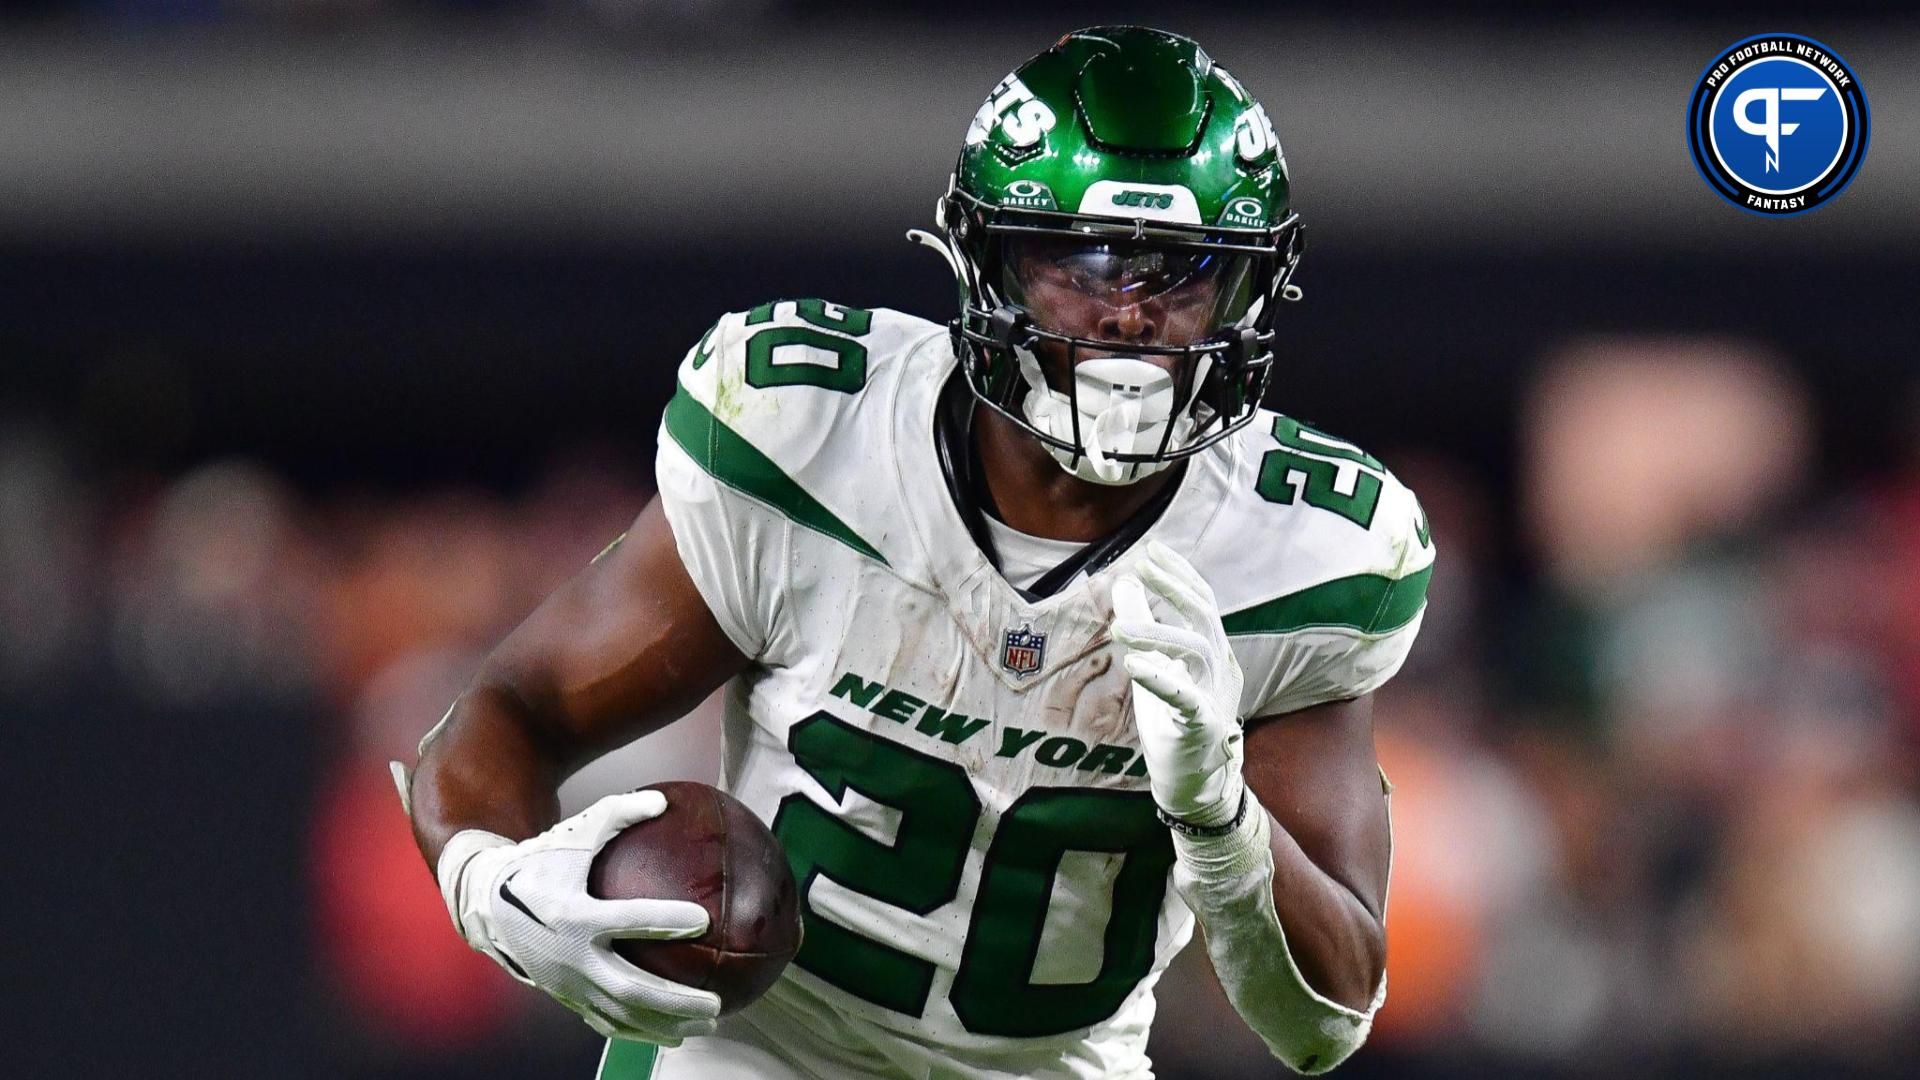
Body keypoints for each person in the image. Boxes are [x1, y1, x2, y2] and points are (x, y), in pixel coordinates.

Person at [399, 25, 1434, 1079]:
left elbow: (1323, 1026)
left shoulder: (1304, 551)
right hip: (757, 1055)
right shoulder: (810, 435)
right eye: (1078, 260)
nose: (1127, 315)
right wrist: (496, 889)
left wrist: (1223, 824)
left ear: (1250, 292)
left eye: (1182, 272)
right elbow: (506, 718)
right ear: (988, 265)